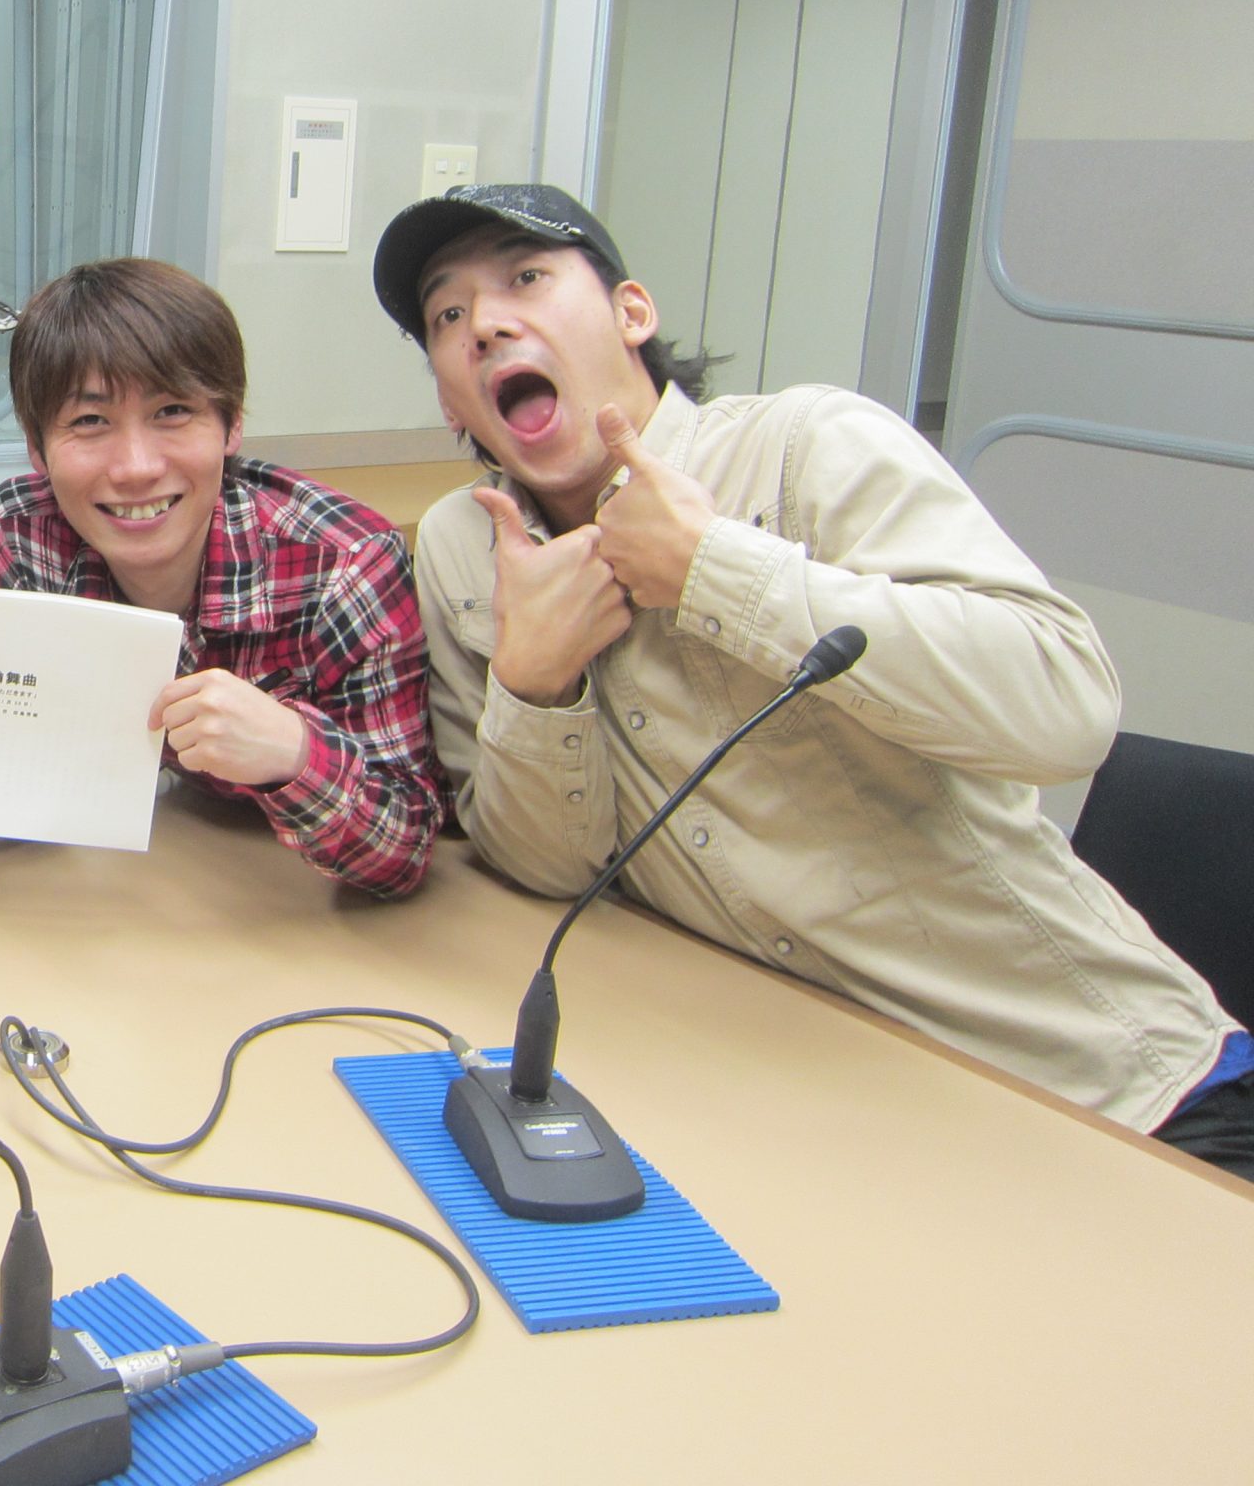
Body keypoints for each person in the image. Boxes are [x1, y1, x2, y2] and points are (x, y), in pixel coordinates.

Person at [371, 181, 1252, 1175]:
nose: (486, 324)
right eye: (448, 316)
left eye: (526, 279)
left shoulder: (803, 447)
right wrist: (535, 681)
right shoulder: (469, 547)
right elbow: (548, 870)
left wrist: (714, 569)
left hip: (1106, 1096)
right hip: (809, 1098)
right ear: (449, 397)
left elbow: (1065, 707)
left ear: (631, 313)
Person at [0, 257, 449, 896]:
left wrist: (294, 753)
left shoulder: (345, 566)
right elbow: (26, 759)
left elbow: (409, 844)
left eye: (172, 412)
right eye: (90, 421)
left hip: (285, 899)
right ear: (37, 448)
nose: (136, 467)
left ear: (232, 424)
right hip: (143, 887)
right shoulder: (24, 535)